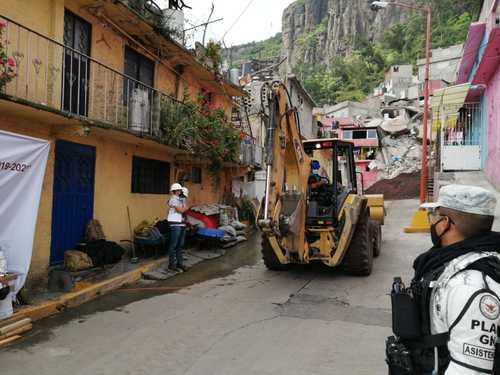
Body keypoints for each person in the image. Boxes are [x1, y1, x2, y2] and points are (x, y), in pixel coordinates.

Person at [386, 184, 500, 375]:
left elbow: (470, 370)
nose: (432, 222)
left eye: (434, 216)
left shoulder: (470, 285)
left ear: (446, 223)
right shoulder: (452, 261)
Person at [167, 183, 188, 272]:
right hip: (175, 223)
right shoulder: (173, 199)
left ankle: (180, 263)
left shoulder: (181, 199)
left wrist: (184, 204)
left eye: (180, 190)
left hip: (181, 223)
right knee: (174, 244)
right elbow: (181, 210)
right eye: (179, 190)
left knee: (180, 245)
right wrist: (185, 207)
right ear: (175, 191)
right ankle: (172, 264)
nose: (180, 192)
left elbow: (184, 209)